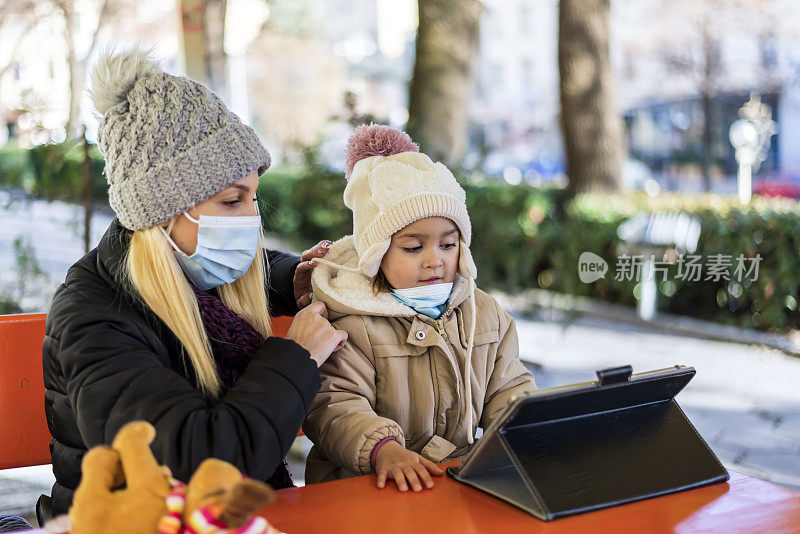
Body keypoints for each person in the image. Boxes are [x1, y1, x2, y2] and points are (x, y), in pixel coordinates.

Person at [41, 49, 347, 516]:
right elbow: (192, 465)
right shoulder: (93, 314)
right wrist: (294, 359)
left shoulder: (188, 265)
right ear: (162, 211)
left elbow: (255, 268)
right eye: (231, 201)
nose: (251, 220)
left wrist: (294, 277)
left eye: (253, 198)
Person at [303, 124, 536, 492]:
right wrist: (382, 449)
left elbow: (509, 385)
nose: (434, 260)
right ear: (375, 254)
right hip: (367, 484)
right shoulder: (350, 323)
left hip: (455, 479)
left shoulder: (485, 315)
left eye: (448, 245)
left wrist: (526, 426)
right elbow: (335, 403)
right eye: (413, 248)